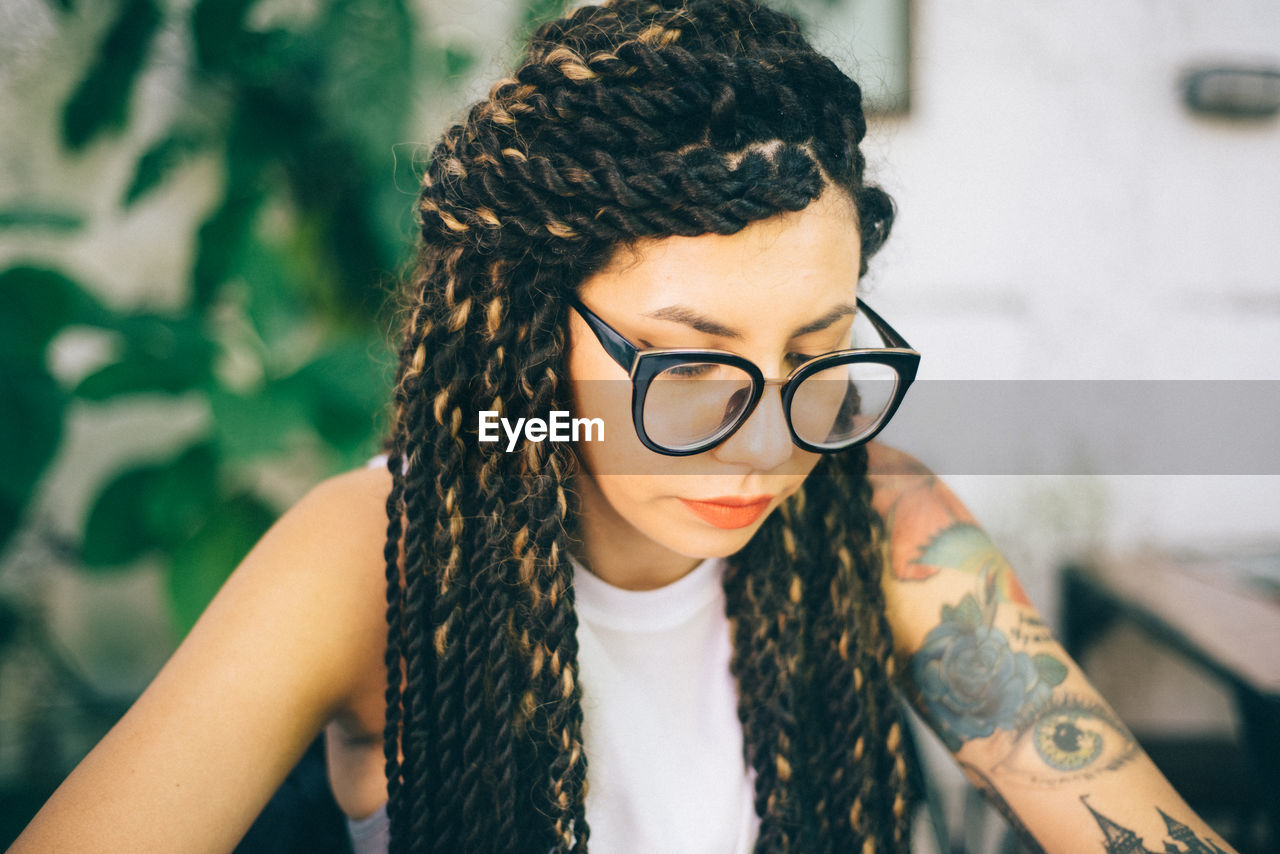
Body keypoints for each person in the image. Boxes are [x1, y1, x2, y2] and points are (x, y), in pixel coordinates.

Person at [11, 1, 1239, 853]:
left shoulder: (876, 513)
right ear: (534, 328)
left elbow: (1115, 805)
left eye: (812, 355)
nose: (766, 441)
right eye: (686, 366)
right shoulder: (374, 553)